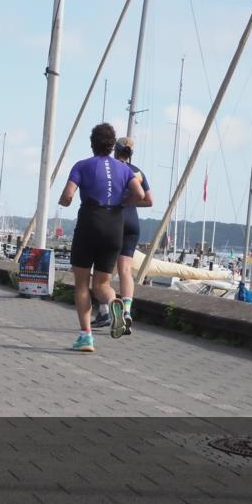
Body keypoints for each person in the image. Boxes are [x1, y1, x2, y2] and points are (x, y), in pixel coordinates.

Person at [58, 123, 145, 352]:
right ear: (111, 144)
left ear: (92, 143)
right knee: (102, 284)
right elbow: (140, 194)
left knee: (82, 284)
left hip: (90, 221)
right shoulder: (124, 169)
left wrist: (64, 201)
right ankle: (114, 301)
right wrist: (122, 202)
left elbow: (68, 195)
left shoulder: (82, 165)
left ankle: (86, 337)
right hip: (115, 224)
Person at [92, 137, 153, 334]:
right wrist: (130, 201)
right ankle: (127, 311)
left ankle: (103, 311)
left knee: (103, 271)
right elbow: (149, 200)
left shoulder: (110, 169)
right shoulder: (138, 172)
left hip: (114, 221)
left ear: (115, 151)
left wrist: (119, 202)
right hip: (133, 222)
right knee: (125, 270)